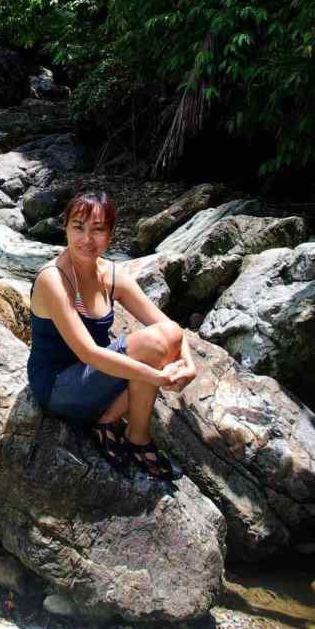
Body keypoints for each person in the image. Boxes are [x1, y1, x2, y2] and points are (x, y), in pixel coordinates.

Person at [27, 189, 196, 479]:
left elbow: (171, 327)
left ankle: (110, 424)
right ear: (65, 228)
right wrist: (156, 377)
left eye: (97, 229)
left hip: (97, 376)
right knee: (152, 346)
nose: (87, 239)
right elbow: (88, 353)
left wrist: (189, 365)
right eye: (78, 228)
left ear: (110, 234)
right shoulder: (52, 278)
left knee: (165, 336)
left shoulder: (111, 274)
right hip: (58, 387)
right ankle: (136, 438)